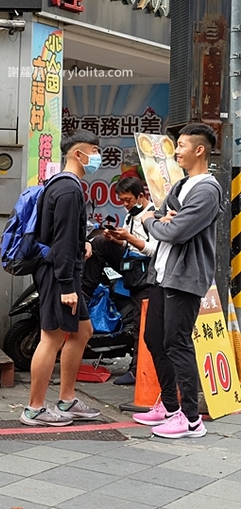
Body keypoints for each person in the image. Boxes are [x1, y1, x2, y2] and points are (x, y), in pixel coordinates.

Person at [134, 123, 223, 439]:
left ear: (199, 150)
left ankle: (191, 420)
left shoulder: (207, 190)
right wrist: (160, 220)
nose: (177, 150)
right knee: (154, 339)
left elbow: (171, 230)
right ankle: (170, 406)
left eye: (182, 145)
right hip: (161, 273)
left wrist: (151, 220)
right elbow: (164, 219)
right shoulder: (180, 186)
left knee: (177, 342)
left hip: (184, 279)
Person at [20, 130, 103, 427]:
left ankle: (67, 399)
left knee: (82, 332)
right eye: (93, 150)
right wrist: (67, 285)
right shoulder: (69, 190)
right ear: (78, 154)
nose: (96, 156)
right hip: (60, 275)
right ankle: (34, 408)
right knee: (51, 338)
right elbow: (63, 241)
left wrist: (82, 242)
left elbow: (61, 234)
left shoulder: (59, 184)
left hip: (61, 270)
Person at [82, 176, 156, 386]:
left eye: (128, 200)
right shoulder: (130, 216)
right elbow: (127, 248)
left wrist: (129, 239)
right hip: (129, 265)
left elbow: (154, 250)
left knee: (142, 324)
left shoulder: (151, 216)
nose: (125, 205)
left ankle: (136, 371)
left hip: (146, 273)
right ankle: (85, 293)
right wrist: (117, 239)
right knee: (99, 241)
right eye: (122, 201)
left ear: (141, 196)